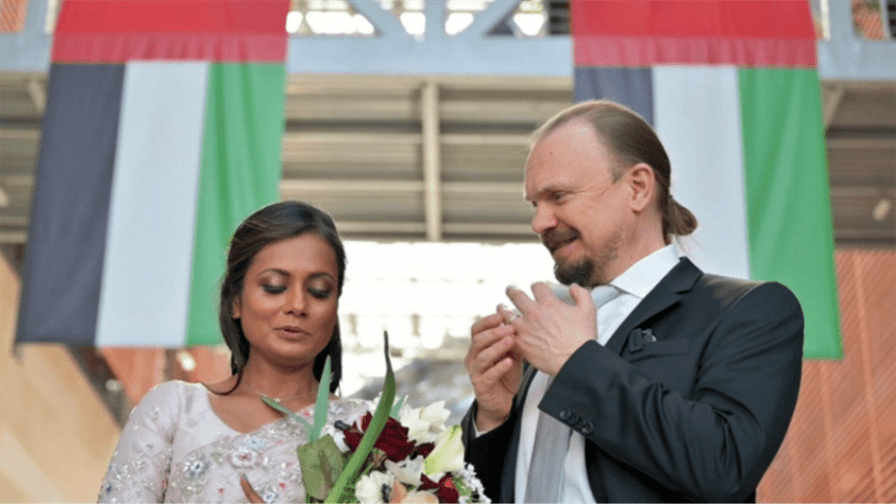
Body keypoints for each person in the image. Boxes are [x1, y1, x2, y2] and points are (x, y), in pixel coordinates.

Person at [461, 100, 804, 503]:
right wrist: (493, 418)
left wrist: (576, 364)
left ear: (638, 188)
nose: (540, 222)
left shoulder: (749, 311)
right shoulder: (546, 333)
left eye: (559, 196)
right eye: (535, 205)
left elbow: (725, 466)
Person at [98, 201, 370, 503]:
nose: (298, 305)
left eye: (319, 290)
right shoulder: (176, 410)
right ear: (235, 301)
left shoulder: (368, 430)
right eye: (274, 286)